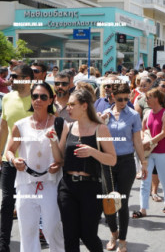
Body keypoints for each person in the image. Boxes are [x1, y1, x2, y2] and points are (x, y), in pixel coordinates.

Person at [54, 89, 116, 252]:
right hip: (67, 187)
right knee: (70, 235)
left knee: (88, 234)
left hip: (90, 187)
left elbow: (112, 159)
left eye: (72, 104)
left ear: (84, 106)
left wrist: (92, 152)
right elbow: (60, 158)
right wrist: (52, 142)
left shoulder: (100, 129)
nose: (68, 108)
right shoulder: (69, 127)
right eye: (68, 104)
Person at [6, 82, 65, 252]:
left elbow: (63, 156)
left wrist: (59, 163)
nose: (38, 100)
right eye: (35, 96)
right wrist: (13, 161)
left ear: (51, 100)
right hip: (26, 183)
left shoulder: (60, 124)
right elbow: (9, 151)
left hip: (50, 183)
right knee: (28, 231)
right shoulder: (21, 125)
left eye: (43, 97)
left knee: (52, 227)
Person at [103, 83, 148, 252]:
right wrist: (99, 123)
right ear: (113, 97)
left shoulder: (134, 115)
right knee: (107, 201)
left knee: (122, 201)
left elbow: (137, 140)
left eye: (126, 98)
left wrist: (143, 162)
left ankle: (122, 238)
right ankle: (113, 233)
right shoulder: (105, 114)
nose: (123, 102)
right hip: (107, 161)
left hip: (126, 161)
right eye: (119, 99)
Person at [0, 64, 35, 252]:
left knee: (30, 203)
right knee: (7, 203)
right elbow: (4, 127)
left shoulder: (39, 97)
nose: (10, 78)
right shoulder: (7, 98)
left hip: (34, 162)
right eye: (10, 75)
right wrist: (0, 153)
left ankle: (30, 244)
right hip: (10, 160)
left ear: (27, 79)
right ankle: (3, 244)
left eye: (15, 76)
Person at [133, 88, 165, 218]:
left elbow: (164, 133)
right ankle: (143, 208)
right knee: (145, 179)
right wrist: (142, 141)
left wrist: (148, 143)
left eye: (148, 97)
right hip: (148, 152)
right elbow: (143, 129)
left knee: (163, 177)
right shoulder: (147, 113)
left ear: (156, 98)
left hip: (162, 151)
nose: (146, 100)